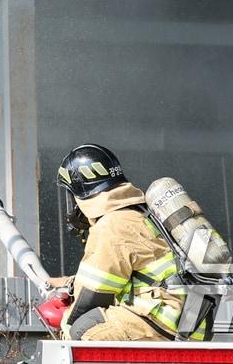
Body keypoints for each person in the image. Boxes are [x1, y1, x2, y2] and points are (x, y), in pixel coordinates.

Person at [47, 144, 209, 342]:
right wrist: (71, 283)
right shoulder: (144, 214)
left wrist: (65, 328)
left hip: (156, 320)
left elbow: (92, 295)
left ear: (81, 192)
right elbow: (146, 273)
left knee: (80, 331)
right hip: (191, 326)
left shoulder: (112, 223)